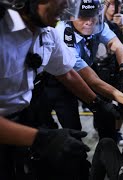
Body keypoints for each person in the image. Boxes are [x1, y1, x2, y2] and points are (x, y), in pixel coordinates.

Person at [0, 0, 114, 179]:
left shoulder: (47, 33)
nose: (66, 5)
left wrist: (97, 103)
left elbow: (66, 73)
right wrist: (41, 139)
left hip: (26, 117)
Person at [31, 0, 123, 142]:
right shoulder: (63, 36)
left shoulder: (98, 23)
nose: (89, 22)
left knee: (106, 115)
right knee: (73, 127)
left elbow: (116, 44)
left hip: (88, 68)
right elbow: (92, 81)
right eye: (83, 17)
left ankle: (108, 150)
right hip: (62, 79)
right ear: (71, 17)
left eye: (92, 16)